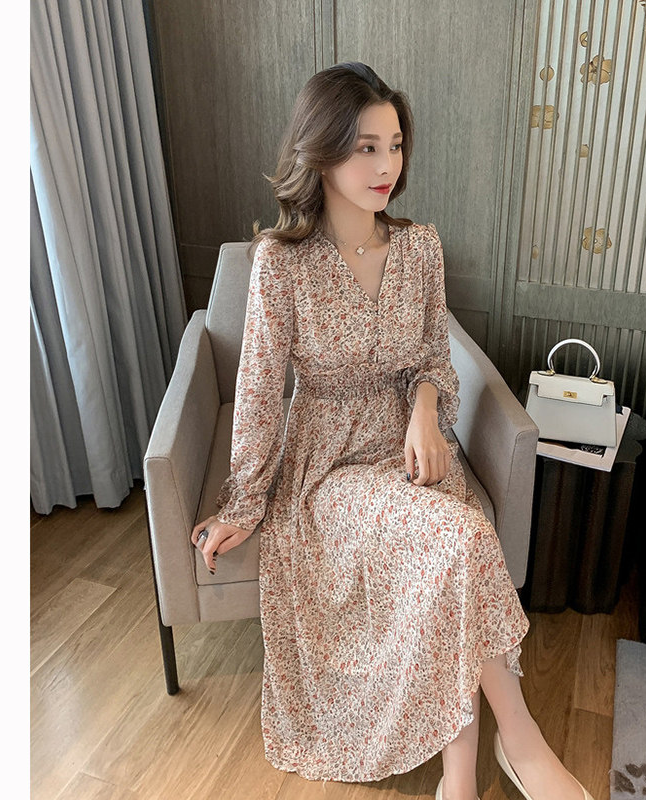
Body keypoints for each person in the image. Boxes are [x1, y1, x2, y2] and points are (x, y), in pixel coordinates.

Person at [191, 62, 593, 800]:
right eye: (365, 148)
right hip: (327, 466)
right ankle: (521, 745)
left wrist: (423, 410)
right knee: (461, 537)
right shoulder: (280, 264)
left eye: (396, 146)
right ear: (321, 152)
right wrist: (244, 502)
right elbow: (258, 392)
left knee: (451, 552)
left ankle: (461, 778)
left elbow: (433, 357)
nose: (387, 167)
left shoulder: (419, 249)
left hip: (409, 447)